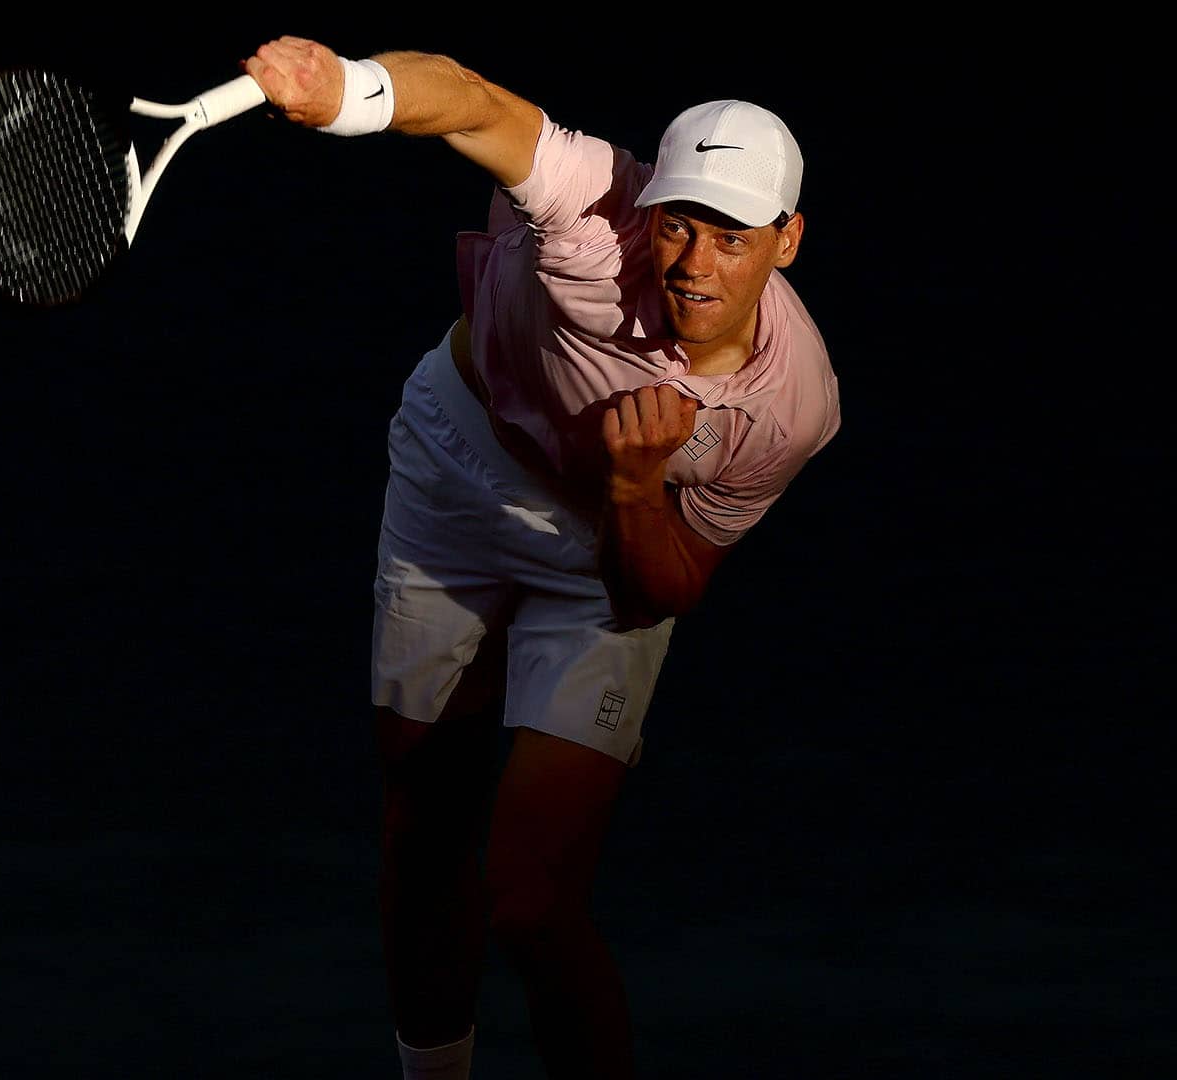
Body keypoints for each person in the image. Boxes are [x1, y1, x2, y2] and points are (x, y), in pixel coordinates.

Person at [242, 35, 840, 1080]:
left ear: (787, 241)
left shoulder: (792, 411)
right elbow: (473, 106)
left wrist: (631, 490)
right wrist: (347, 92)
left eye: (734, 238)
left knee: (531, 899)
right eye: (681, 222)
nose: (695, 262)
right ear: (650, 203)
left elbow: (673, 585)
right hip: (459, 462)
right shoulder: (596, 205)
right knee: (424, 822)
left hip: (611, 533)